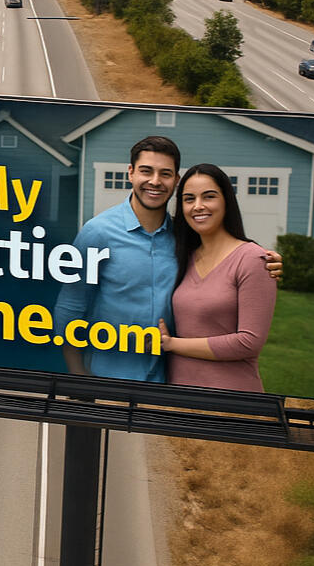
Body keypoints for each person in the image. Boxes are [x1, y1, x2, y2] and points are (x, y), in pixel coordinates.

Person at [53, 136, 281, 383]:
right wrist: (77, 378)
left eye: (165, 174)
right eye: (146, 171)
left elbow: (226, 259)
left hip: (165, 381)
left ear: (176, 180)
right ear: (130, 173)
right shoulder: (97, 232)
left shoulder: (184, 239)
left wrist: (268, 263)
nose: (155, 181)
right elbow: (70, 307)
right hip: (106, 378)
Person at [157, 164, 277, 392]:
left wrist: (172, 344)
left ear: (226, 201)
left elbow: (248, 342)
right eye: (189, 199)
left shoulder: (252, 258)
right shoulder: (184, 257)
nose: (198, 206)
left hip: (230, 400)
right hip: (178, 398)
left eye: (209, 196)